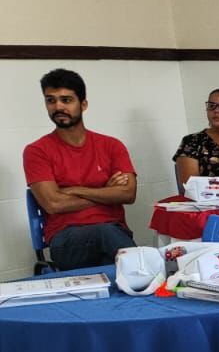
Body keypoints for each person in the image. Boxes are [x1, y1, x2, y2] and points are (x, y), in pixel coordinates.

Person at [22, 68, 138, 270]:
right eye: (51, 100)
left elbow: (128, 194)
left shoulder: (111, 145)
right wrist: (106, 192)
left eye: (66, 100)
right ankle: (148, 278)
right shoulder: (36, 151)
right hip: (66, 240)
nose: (58, 106)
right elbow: (54, 204)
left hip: (114, 232)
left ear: (83, 104)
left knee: (112, 269)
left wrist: (76, 190)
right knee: (108, 239)